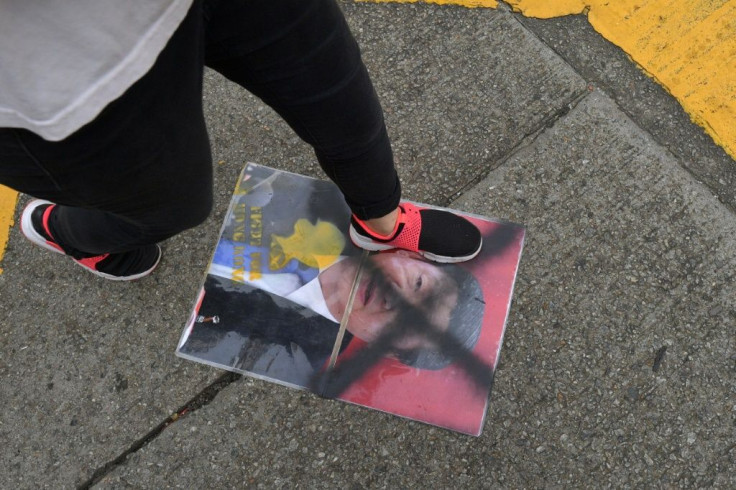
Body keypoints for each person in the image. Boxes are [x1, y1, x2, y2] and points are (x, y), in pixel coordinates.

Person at [0, 0, 482, 282]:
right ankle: (66, 232)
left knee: (345, 109)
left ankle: (379, 226)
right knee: (173, 204)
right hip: (54, 58)